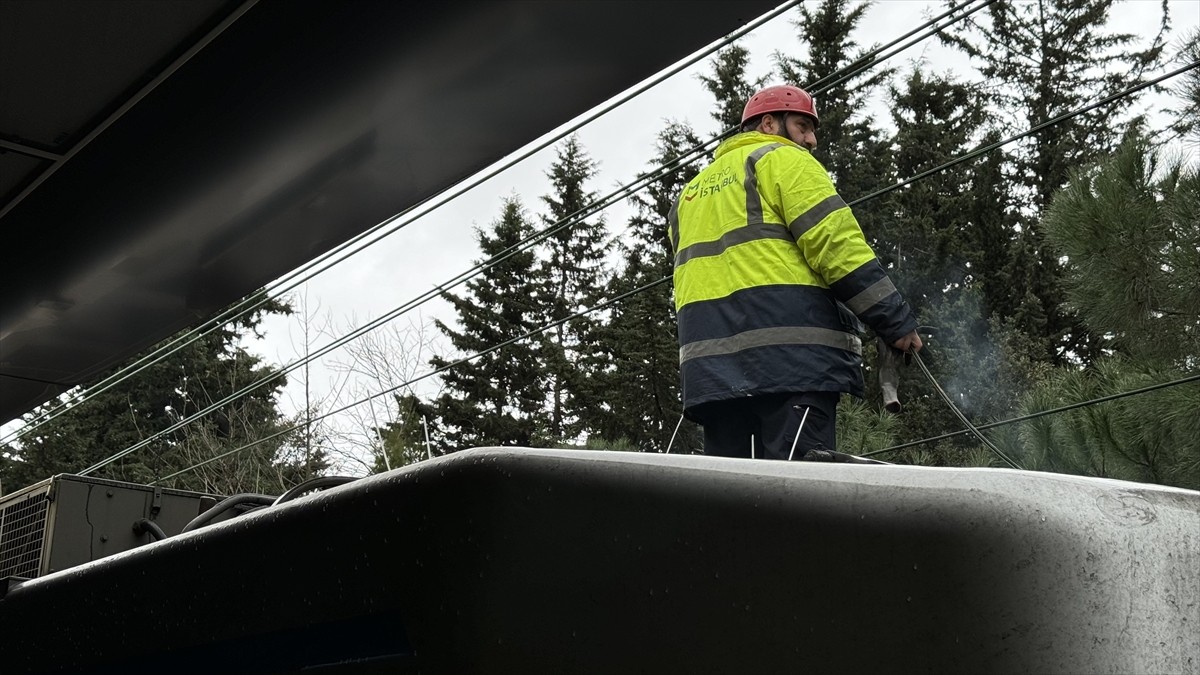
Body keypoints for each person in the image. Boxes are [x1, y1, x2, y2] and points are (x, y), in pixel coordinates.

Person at [667, 83, 922, 461]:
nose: (811, 140)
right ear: (769, 123)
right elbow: (837, 247)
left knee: (731, 493)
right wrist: (894, 321)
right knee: (796, 488)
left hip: (712, 377)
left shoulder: (688, 196)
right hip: (792, 364)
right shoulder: (784, 160)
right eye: (803, 126)